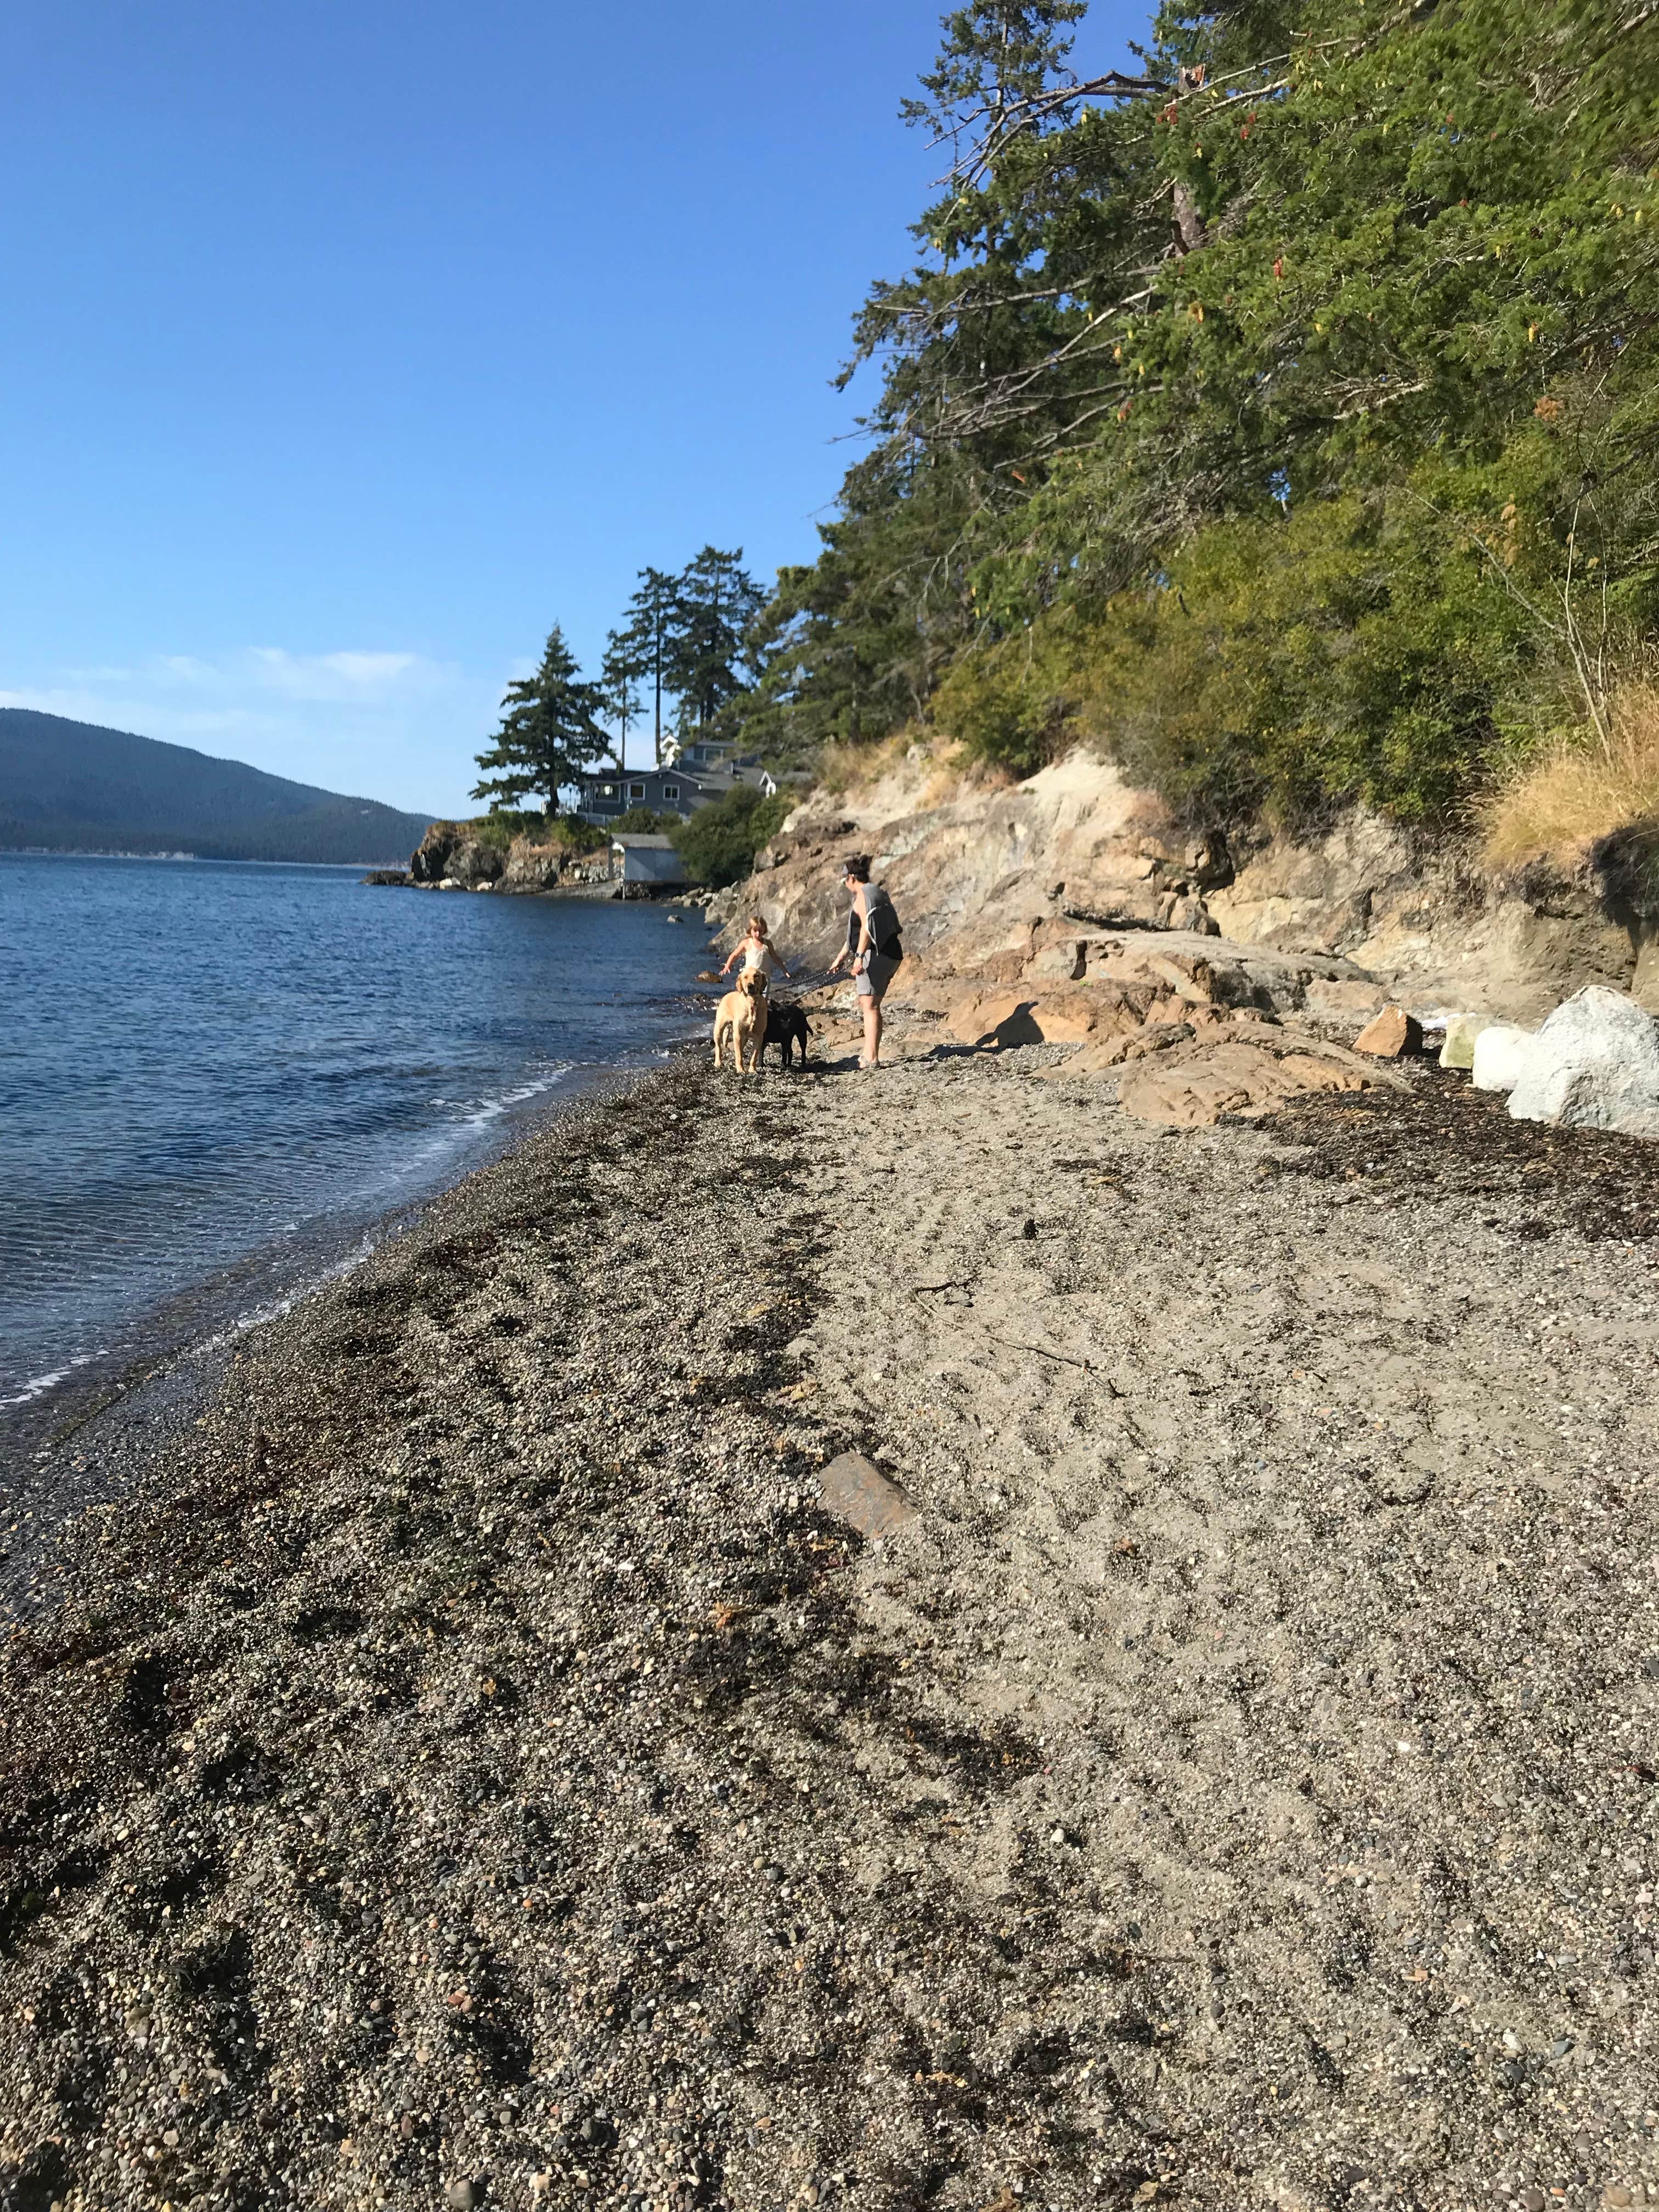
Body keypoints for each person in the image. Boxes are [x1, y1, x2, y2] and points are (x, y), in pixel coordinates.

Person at [827, 854, 901, 1068]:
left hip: (874, 955)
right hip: (891, 953)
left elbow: (867, 929)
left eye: (845, 881)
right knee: (871, 1004)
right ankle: (868, 1054)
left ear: (851, 878)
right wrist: (841, 957)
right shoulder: (876, 891)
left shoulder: (863, 895)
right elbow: (858, 931)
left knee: (870, 1006)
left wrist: (859, 957)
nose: (845, 885)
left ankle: (872, 1058)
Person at [719, 913, 792, 986]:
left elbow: (775, 958)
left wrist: (785, 971)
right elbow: (734, 955)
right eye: (755, 930)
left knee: (764, 993)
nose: (758, 933)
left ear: (764, 930)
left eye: (760, 931)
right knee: (750, 992)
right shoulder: (747, 943)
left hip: (765, 978)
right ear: (750, 930)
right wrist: (727, 966)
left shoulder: (768, 944)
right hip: (750, 977)